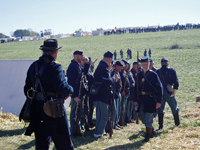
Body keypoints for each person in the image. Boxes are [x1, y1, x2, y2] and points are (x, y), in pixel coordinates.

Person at [24, 39, 74, 150]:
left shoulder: (34, 66)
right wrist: (71, 90)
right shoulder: (55, 66)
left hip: (38, 110)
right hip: (54, 110)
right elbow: (62, 87)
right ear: (55, 52)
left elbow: (27, 89)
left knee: (41, 145)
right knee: (64, 144)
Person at [134, 56, 163, 143]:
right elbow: (136, 88)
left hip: (151, 100)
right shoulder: (138, 75)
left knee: (148, 118)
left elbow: (160, 88)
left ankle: (147, 137)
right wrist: (135, 100)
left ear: (149, 64)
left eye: (147, 64)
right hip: (142, 100)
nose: (145, 66)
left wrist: (159, 101)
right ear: (141, 65)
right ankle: (151, 130)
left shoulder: (153, 75)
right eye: (143, 64)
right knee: (142, 117)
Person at [92, 51, 119, 138]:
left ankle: (101, 131)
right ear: (110, 59)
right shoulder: (103, 67)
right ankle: (98, 133)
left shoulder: (103, 66)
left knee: (102, 115)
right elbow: (107, 82)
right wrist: (114, 78)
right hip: (101, 94)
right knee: (103, 115)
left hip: (101, 94)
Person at [67, 50, 90, 136]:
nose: (82, 57)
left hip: (79, 93)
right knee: (74, 113)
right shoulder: (72, 67)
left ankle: (78, 129)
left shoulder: (77, 66)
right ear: (76, 56)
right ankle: (74, 131)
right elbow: (70, 83)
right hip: (76, 94)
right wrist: (74, 96)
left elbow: (85, 72)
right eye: (81, 56)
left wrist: (87, 63)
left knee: (79, 112)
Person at [156, 58, 179, 130]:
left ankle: (160, 126)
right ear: (167, 63)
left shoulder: (157, 71)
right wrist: (174, 92)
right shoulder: (172, 70)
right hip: (169, 92)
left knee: (160, 110)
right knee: (174, 108)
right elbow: (176, 82)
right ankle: (177, 123)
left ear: (161, 64)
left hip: (161, 93)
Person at [111, 60, 125, 130]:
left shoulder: (118, 73)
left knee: (118, 109)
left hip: (118, 92)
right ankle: (113, 124)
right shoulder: (114, 72)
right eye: (120, 66)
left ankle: (116, 123)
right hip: (115, 93)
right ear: (117, 66)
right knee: (115, 110)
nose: (121, 68)